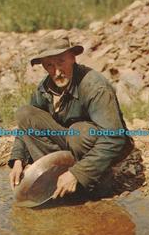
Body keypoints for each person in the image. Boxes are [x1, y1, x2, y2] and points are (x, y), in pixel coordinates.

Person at [8, 36, 134, 199]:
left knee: (78, 132)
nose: (57, 72)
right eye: (49, 65)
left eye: (61, 62)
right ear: (44, 66)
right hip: (71, 141)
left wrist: (78, 173)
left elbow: (114, 138)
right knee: (25, 114)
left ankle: (91, 181)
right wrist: (18, 159)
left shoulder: (94, 86)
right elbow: (26, 127)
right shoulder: (45, 88)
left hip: (101, 145)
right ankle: (57, 176)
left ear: (72, 58)